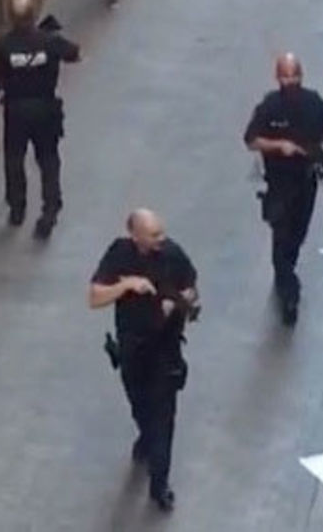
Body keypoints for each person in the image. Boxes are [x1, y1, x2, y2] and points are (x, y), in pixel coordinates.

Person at [89, 209, 199, 511]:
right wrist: (126, 286)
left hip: (164, 352)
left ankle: (159, 484)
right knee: (140, 406)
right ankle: (146, 436)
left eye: (161, 233)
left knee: (164, 419)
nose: (160, 240)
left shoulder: (173, 254)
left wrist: (177, 303)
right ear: (134, 235)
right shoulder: (119, 254)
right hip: (132, 350)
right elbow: (95, 297)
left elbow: (191, 287)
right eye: (153, 235)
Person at [243, 53, 323, 325]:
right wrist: (278, 146)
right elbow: (251, 140)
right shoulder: (269, 107)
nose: (290, 81)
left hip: (306, 180)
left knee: (298, 233)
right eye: (285, 76)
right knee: (281, 235)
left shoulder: (313, 102)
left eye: (294, 76)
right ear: (277, 78)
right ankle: (289, 292)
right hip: (278, 182)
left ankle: (286, 271)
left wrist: (320, 151)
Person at [0, 0, 81, 239]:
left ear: (11, 18)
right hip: (45, 108)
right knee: (48, 159)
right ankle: (49, 210)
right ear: (34, 14)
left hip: (16, 110)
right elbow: (74, 53)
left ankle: (17, 208)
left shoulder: (2, 46)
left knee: (14, 159)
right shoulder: (50, 41)